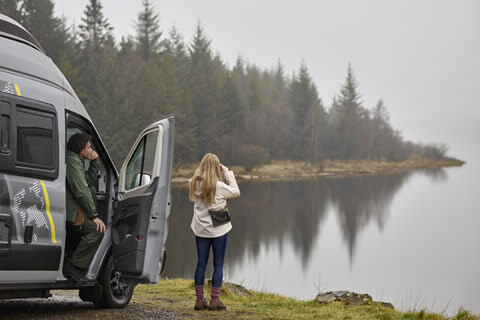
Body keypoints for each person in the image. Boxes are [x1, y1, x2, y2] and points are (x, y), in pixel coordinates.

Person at [189, 153, 240, 311]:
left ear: (202, 165)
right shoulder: (219, 186)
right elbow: (236, 191)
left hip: (201, 230)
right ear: (216, 167)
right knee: (218, 264)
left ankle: (199, 301)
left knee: (201, 264)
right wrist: (227, 173)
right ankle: (214, 301)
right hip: (219, 229)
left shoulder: (193, 183)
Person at [63, 133, 106, 282]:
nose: (91, 150)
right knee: (97, 230)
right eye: (88, 147)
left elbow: (89, 181)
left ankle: (71, 258)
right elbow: (81, 191)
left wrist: (95, 162)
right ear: (80, 149)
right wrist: (94, 216)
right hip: (71, 212)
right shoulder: (72, 160)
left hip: (73, 210)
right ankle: (72, 265)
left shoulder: (76, 160)